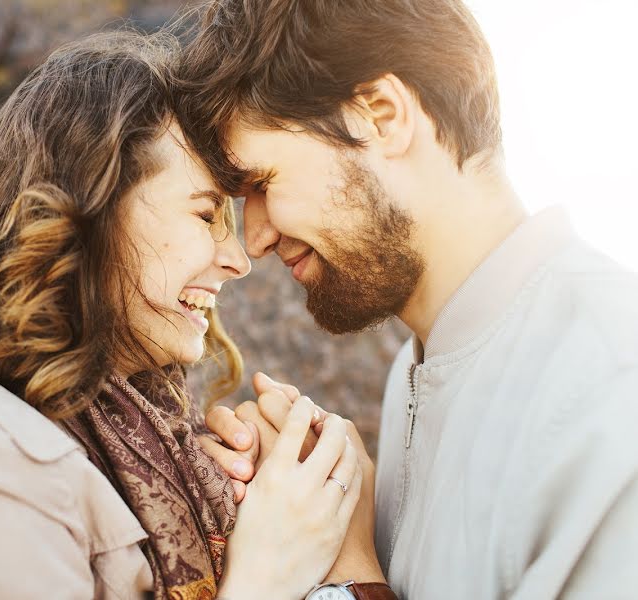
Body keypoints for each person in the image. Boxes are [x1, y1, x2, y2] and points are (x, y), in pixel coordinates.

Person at [0, 30, 368, 600]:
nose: (238, 260)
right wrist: (264, 574)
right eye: (205, 215)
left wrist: (257, 510)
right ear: (93, 211)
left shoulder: (148, 437)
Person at [177, 0, 638, 598]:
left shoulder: (612, 390)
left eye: (263, 184)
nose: (256, 239)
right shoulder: (414, 374)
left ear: (382, 115)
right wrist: (318, 518)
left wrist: (350, 577)